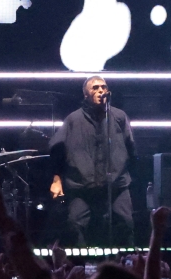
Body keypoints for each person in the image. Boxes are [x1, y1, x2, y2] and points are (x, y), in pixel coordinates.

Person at [49, 76, 135, 246]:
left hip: (116, 186)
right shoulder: (73, 119)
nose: (100, 91)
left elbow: (131, 149)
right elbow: (56, 150)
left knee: (126, 223)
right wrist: (56, 179)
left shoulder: (119, 117)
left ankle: (127, 265)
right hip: (82, 187)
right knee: (75, 225)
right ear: (85, 94)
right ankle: (80, 266)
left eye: (103, 87)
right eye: (95, 88)